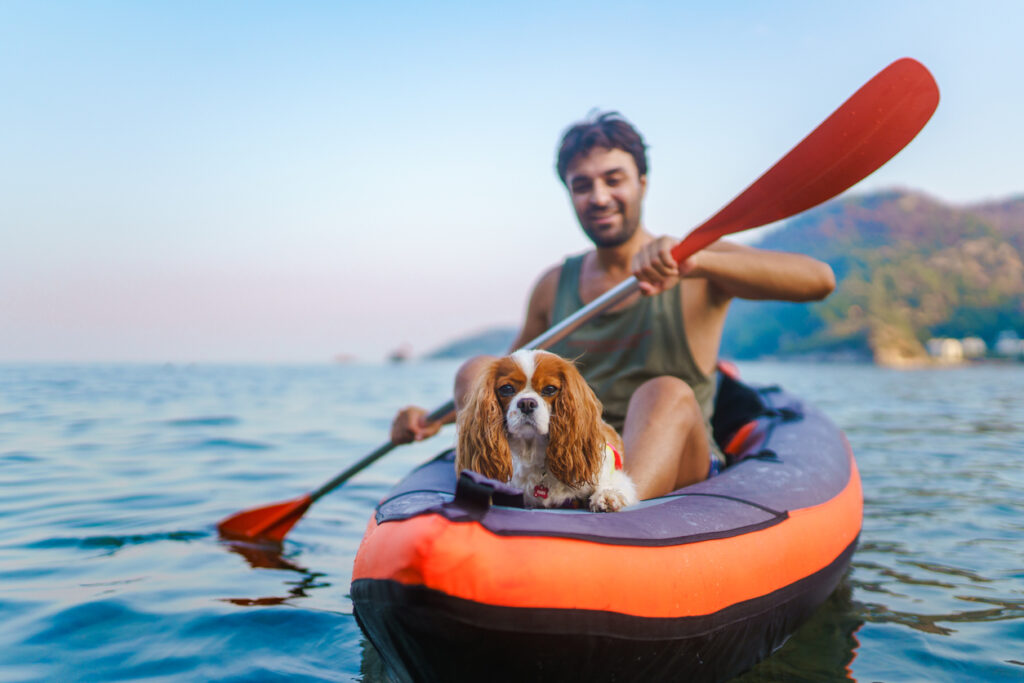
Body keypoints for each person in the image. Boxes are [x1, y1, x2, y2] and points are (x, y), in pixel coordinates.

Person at [390, 111, 835, 499]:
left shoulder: (696, 262)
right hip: (569, 451)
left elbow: (819, 281)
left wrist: (700, 263)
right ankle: (498, 499)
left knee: (666, 391)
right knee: (475, 368)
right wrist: (432, 419)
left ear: (642, 182)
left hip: (669, 456)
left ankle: (619, 503)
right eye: (582, 186)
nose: (599, 197)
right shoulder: (553, 285)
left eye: (614, 179)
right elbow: (506, 382)